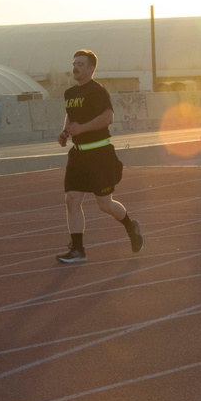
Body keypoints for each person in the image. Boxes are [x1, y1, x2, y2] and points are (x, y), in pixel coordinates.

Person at [56, 49, 144, 263]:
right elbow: (71, 115)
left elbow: (108, 117)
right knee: (72, 199)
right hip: (78, 155)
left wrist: (82, 129)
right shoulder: (70, 93)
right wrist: (65, 132)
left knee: (104, 203)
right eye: (74, 63)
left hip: (99, 154)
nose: (75, 67)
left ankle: (131, 227)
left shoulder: (98, 91)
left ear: (91, 68)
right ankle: (78, 250)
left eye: (80, 64)